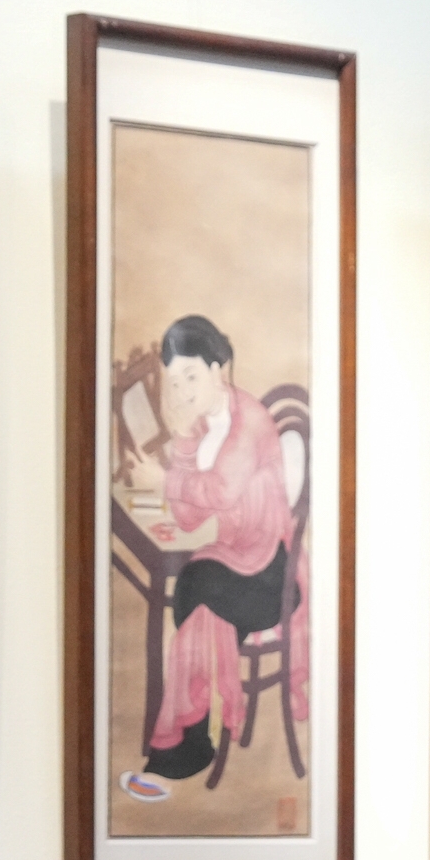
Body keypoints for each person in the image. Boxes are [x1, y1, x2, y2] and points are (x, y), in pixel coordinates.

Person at [115, 314, 304, 803]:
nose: (181, 391)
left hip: (269, 574)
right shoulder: (200, 424)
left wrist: (164, 480)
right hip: (235, 557)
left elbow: (218, 491)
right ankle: (186, 748)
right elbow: (187, 512)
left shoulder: (250, 421)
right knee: (194, 599)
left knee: (193, 594)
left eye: (190, 377)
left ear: (219, 370)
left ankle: (182, 749)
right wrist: (180, 446)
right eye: (174, 381)